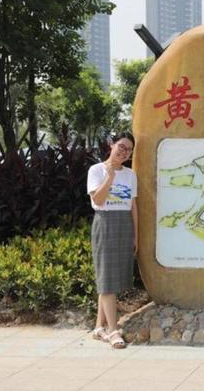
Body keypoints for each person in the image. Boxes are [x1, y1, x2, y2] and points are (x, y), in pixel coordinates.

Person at [87, 132, 138, 349]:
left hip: (124, 225)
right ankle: (113, 331)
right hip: (105, 223)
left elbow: (133, 206)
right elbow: (97, 199)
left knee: (110, 278)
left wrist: (136, 234)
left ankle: (99, 327)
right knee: (106, 279)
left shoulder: (131, 174)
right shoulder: (96, 170)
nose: (124, 152)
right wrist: (109, 177)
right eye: (121, 146)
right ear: (112, 145)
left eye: (128, 150)